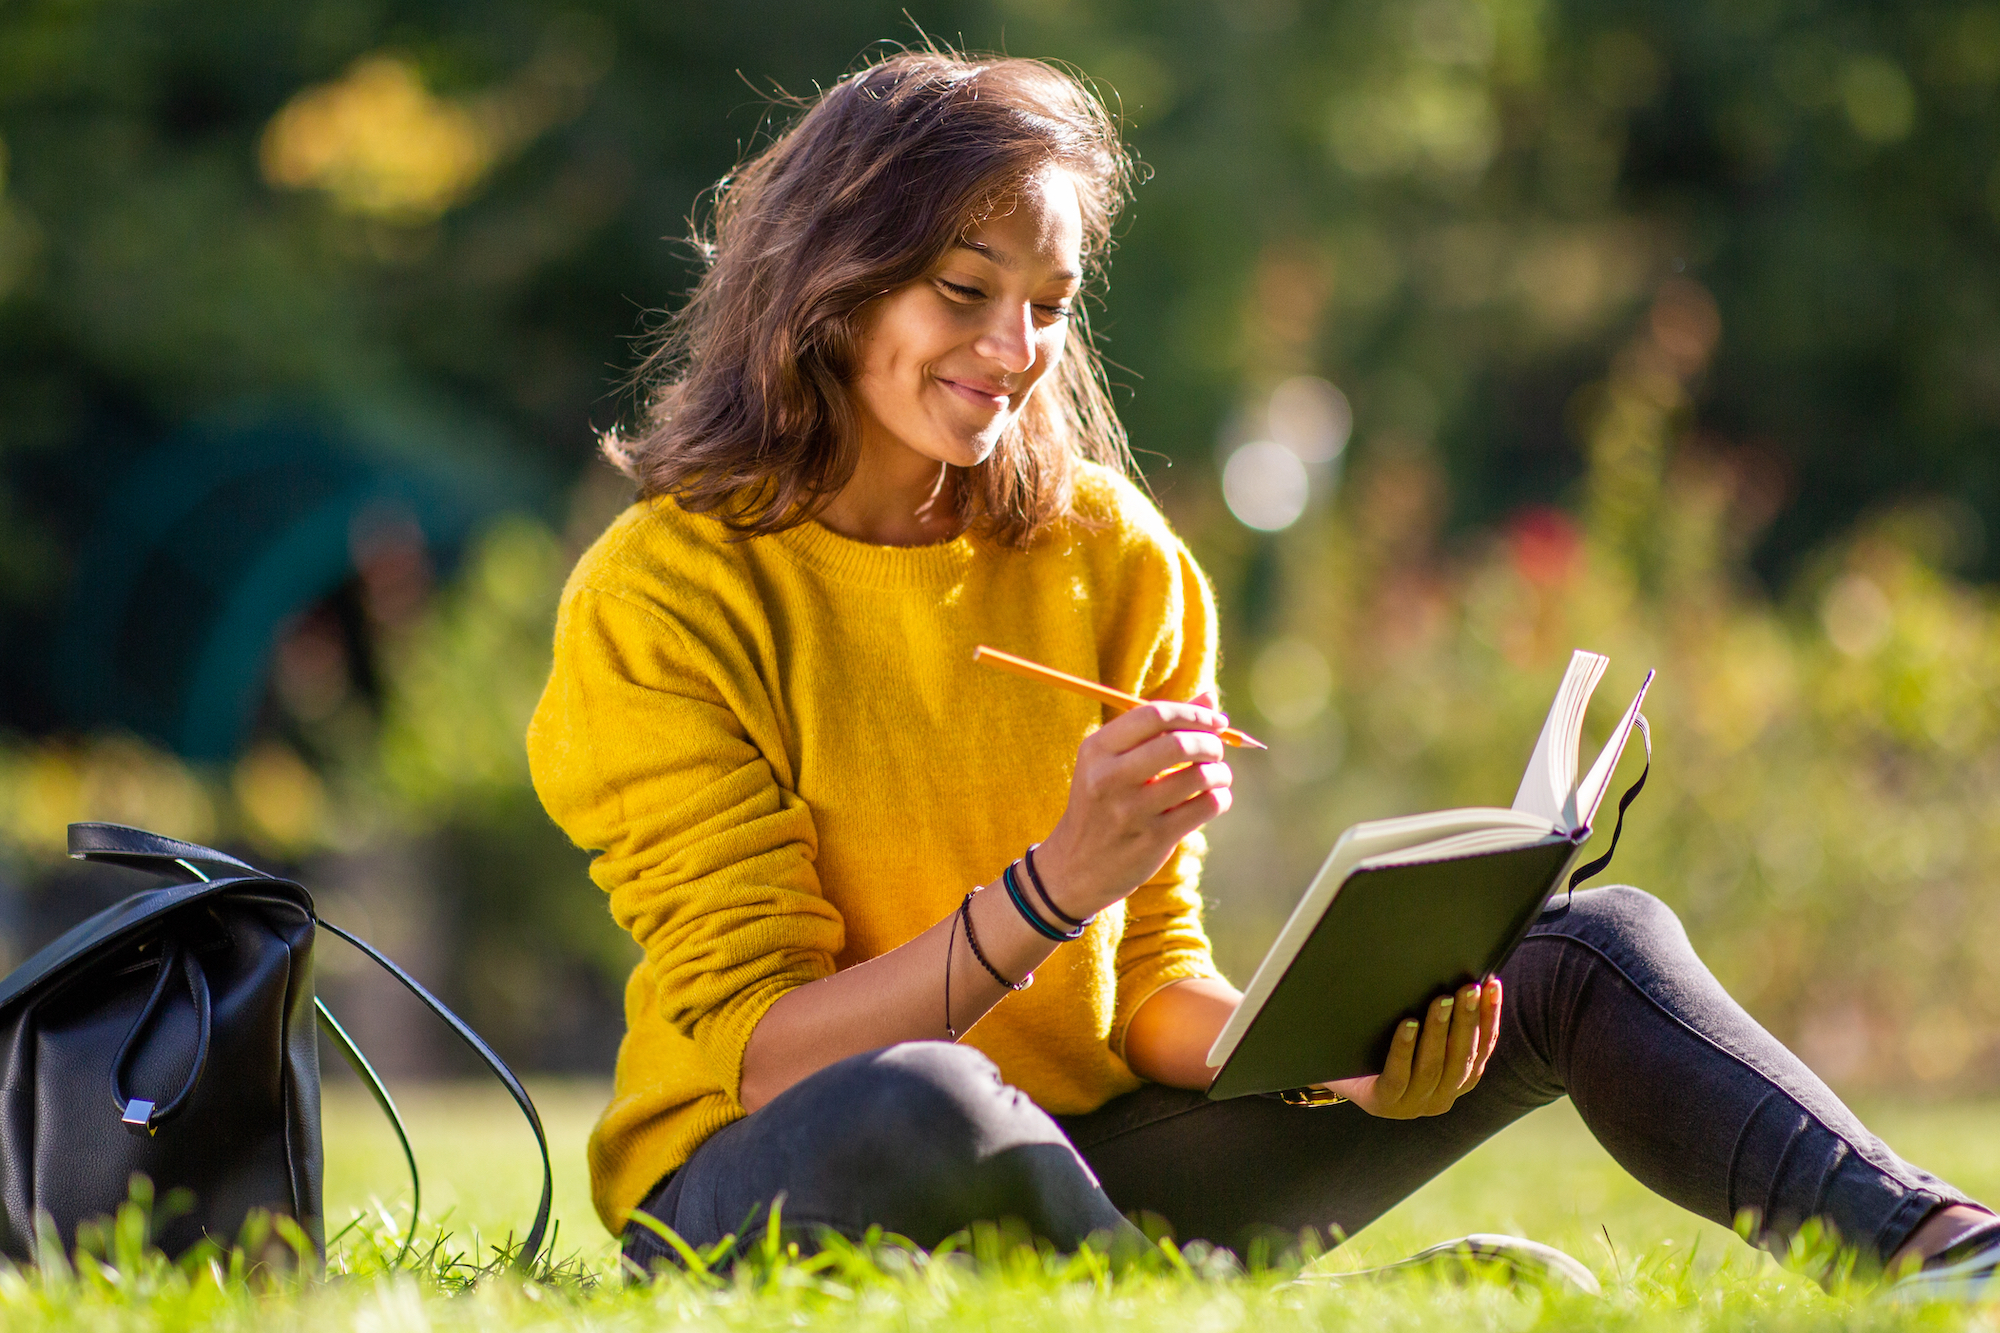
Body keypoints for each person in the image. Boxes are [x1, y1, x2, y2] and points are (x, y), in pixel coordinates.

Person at [526, 49, 1999, 1295]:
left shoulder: (1113, 557)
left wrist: (1327, 1061)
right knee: (930, 1097)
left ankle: (1935, 1249)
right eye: (964, 290)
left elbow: (1152, 981)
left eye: (1050, 299)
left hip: (1087, 1158)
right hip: (769, 1186)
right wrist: (1050, 893)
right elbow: (766, 1056)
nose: (1014, 345)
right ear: (832, 285)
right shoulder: (671, 590)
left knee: (1585, 945)